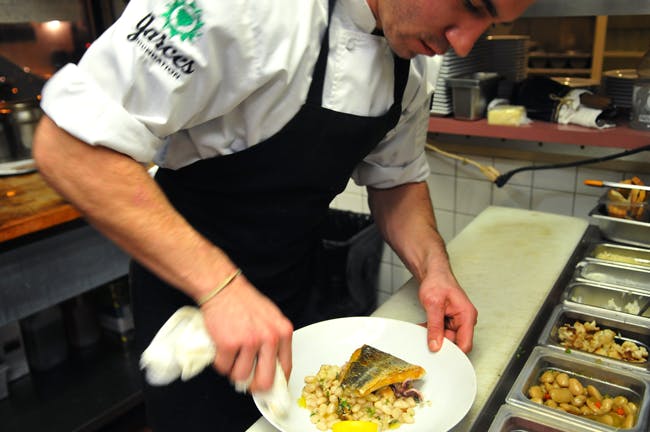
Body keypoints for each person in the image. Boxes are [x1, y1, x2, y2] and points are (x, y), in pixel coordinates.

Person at [33, 0, 535, 430]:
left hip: (294, 287)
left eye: (490, 24)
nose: (464, 43)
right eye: (472, 4)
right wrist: (221, 287)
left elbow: (396, 179)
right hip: (191, 297)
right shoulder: (245, 8)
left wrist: (433, 268)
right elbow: (70, 147)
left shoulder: (415, 62)